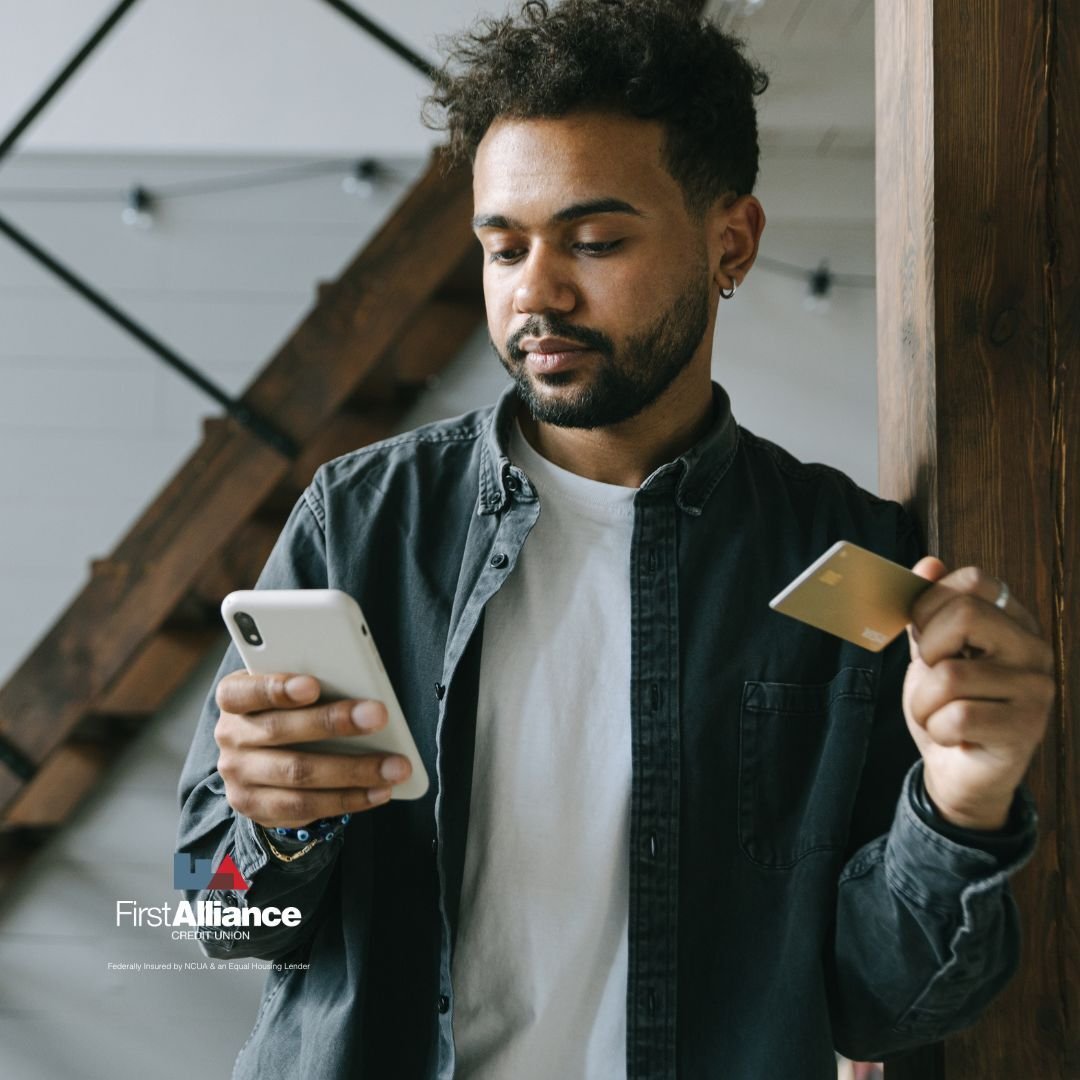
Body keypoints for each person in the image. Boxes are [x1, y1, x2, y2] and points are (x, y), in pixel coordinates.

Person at [176, 2, 1054, 1077]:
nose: (535, 293)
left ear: (731, 240)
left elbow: (880, 1008)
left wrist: (963, 806)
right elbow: (217, 921)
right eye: (504, 250)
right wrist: (274, 828)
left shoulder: (847, 554)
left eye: (593, 241)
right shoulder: (363, 523)